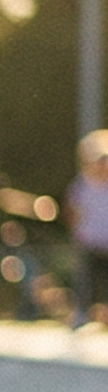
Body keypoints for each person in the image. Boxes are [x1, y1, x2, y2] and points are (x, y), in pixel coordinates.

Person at [71, 130, 108, 328]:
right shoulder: (83, 184)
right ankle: (87, 314)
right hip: (91, 243)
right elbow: (75, 212)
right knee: (91, 281)